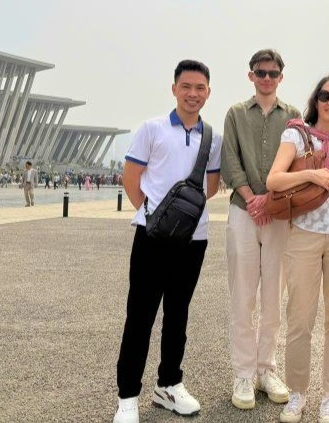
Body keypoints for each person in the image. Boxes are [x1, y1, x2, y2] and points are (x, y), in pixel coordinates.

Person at [112, 60, 223, 423]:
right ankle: (128, 396)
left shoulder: (213, 138)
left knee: (178, 314)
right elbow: (131, 177)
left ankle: (169, 384)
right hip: (152, 236)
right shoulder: (152, 128)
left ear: (208, 92)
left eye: (200, 88)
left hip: (194, 238)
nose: (193, 94)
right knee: (140, 315)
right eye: (186, 86)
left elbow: (211, 187)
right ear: (174, 89)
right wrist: (151, 213)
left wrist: (182, 217)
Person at [266, 75, 329, 423]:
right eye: (324, 95)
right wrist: (312, 175)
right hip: (304, 234)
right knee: (300, 318)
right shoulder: (296, 134)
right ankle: (298, 393)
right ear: (315, 100)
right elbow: (274, 180)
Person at [221, 49, 301, 410]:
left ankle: (267, 368)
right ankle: (243, 372)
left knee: (273, 295)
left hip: (279, 214)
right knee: (243, 294)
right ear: (250, 75)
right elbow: (230, 159)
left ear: (281, 77)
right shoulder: (236, 113)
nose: (266, 78)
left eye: (272, 73)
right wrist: (252, 198)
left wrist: (271, 200)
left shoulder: (294, 116)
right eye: (260, 72)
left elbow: (297, 162)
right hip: (243, 210)